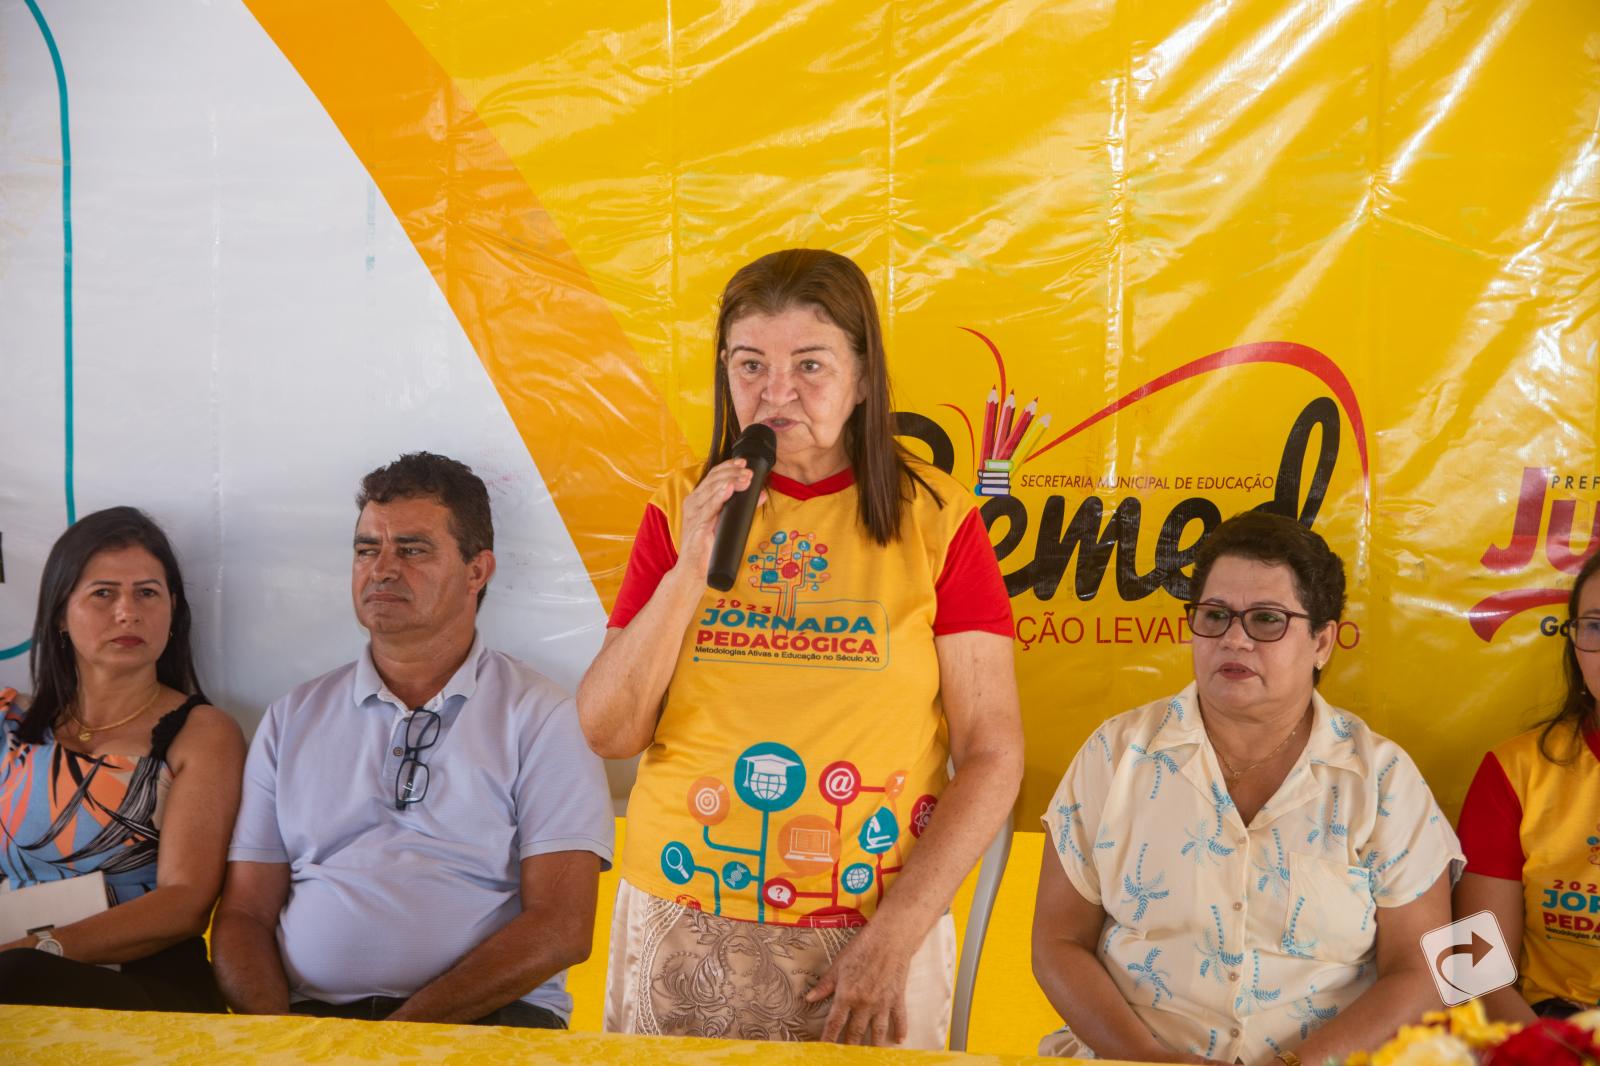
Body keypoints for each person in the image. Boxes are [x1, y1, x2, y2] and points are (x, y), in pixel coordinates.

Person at [578, 248, 1023, 1048]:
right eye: (751, 365)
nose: (776, 393)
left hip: (869, 924)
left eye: (809, 365)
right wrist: (688, 568)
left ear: (862, 377)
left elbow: (994, 752)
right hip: (684, 907)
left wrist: (897, 934)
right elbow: (607, 730)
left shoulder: (938, 519)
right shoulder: (679, 506)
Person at [1033, 511, 1463, 1066]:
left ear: (1322, 642)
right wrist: (1146, 1057)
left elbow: (1427, 968)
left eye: (1266, 619)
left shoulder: (1379, 779)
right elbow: (1057, 943)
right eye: (1215, 616)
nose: (1234, 639)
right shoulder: (1117, 755)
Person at [211, 452, 613, 1027]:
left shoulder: (543, 715)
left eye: (413, 549)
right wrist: (282, 1040)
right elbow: (244, 915)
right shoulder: (291, 718)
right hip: (312, 1029)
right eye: (367, 549)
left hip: (491, 1024)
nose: (382, 569)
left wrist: (399, 1040)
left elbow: (562, 928)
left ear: (478, 571)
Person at [0, 506, 244, 1011]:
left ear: (173, 610)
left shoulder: (202, 734)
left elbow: (184, 903)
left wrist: (39, 951)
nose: (128, 612)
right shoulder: (9, 724)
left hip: (145, 981)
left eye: (147, 593)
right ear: (61, 613)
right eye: (103, 593)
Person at [1454, 549, 1600, 1021]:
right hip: (1547, 1030)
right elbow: (1470, 971)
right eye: (1596, 626)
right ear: (1573, 642)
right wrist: (1546, 1048)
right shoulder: (1513, 769)